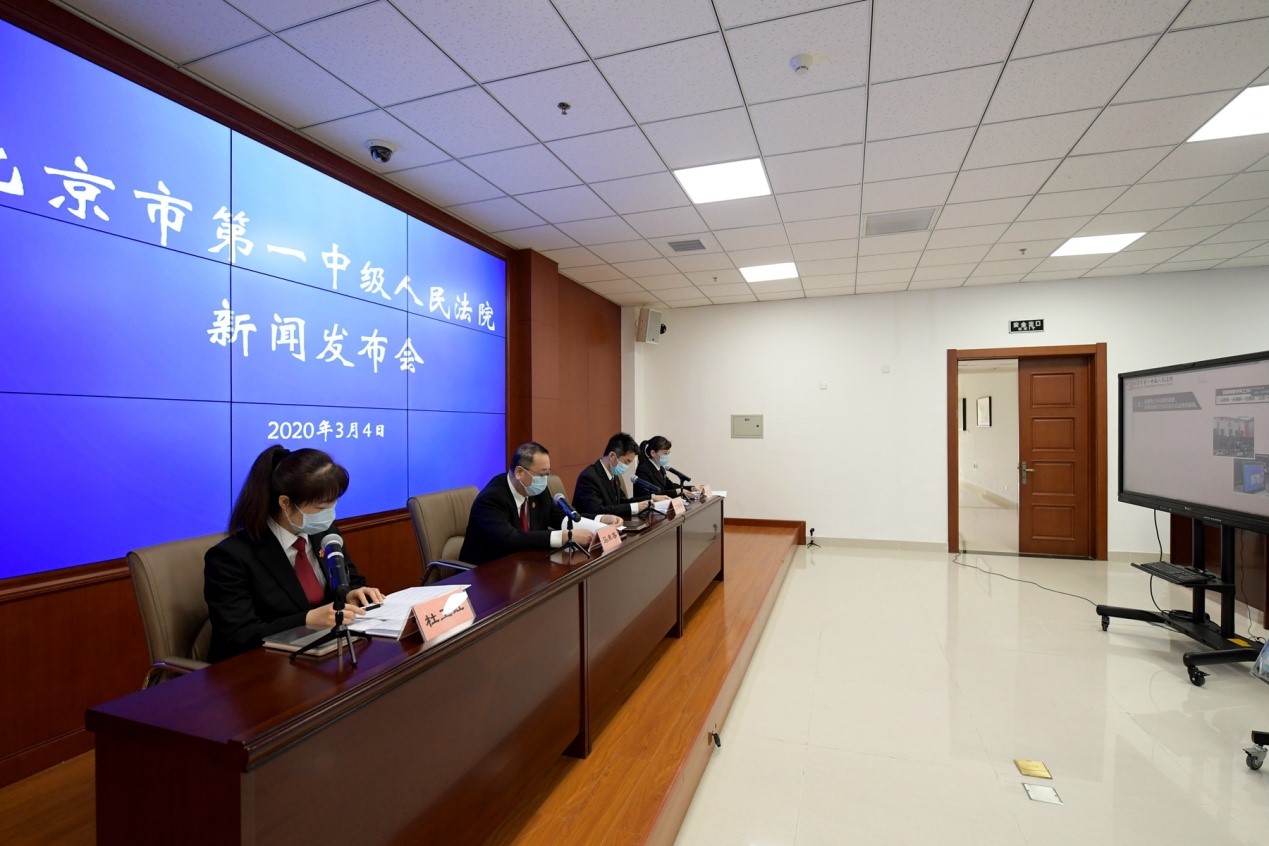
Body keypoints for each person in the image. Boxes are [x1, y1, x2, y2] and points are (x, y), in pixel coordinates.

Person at [204, 445, 384, 662]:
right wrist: (306, 619)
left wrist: (351, 593)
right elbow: (238, 635)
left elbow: (351, 579)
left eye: (333, 505)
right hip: (262, 665)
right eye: (320, 509)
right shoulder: (231, 557)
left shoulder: (326, 534)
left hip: (324, 654)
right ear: (285, 503)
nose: (329, 515)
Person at [459, 441, 597, 566]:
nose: (545, 480)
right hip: (486, 571)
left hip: (525, 564)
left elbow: (559, 517)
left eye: (547, 474)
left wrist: (599, 523)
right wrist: (564, 537)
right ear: (519, 472)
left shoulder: (536, 490)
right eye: (542, 474)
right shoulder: (491, 498)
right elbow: (510, 538)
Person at [574, 432, 667, 519]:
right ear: (612, 456)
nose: (627, 466)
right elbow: (597, 511)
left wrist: (651, 498)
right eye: (626, 462)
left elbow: (622, 502)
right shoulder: (589, 477)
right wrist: (634, 507)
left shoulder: (613, 475)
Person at [636, 435, 701, 497]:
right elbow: (647, 496)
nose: (666, 456)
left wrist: (691, 488)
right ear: (653, 453)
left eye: (668, 453)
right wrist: (675, 492)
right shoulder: (643, 469)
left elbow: (670, 486)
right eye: (665, 453)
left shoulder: (660, 468)